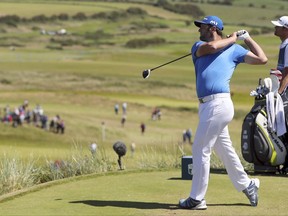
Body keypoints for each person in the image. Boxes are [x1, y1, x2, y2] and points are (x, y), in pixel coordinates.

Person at [178, 15, 268, 210]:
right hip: (206, 107)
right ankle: (248, 184)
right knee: (224, 149)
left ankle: (197, 198)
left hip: (219, 104)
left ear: (212, 28)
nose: (198, 30)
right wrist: (232, 39)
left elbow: (262, 59)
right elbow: (212, 48)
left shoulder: (234, 49)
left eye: (201, 27)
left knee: (200, 149)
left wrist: (247, 39)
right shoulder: (197, 47)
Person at [271, 16, 288, 94]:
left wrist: (279, 92)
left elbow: (287, 72)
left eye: (278, 26)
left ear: (286, 30)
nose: (275, 27)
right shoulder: (284, 44)